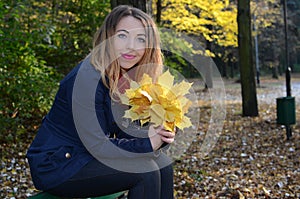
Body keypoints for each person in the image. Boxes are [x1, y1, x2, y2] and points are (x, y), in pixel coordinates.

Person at [26, 5, 175, 199]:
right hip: (59, 164)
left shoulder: (126, 78)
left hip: (87, 157)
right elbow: (97, 145)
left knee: (164, 164)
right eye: (122, 36)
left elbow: (124, 132)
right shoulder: (86, 79)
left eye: (140, 39)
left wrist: (159, 133)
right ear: (108, 38)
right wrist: (148, 144)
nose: (131, 46)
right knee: (145, 171)